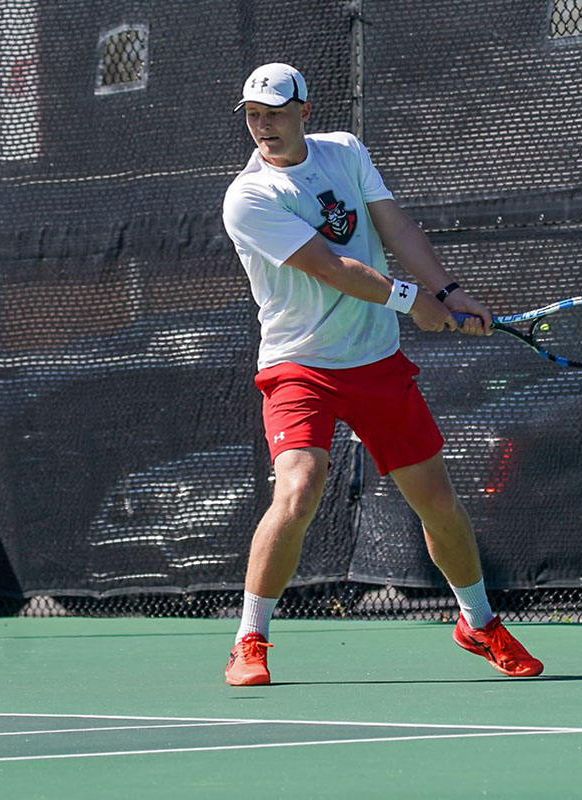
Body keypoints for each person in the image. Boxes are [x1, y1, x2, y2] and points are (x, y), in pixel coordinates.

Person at [221, 63, 543, 686]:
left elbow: (394, 224)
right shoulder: (249, 197)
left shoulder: (344, 152)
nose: (263, 126)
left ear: (304, 112)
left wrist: (447, 291)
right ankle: (249, 639)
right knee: (299, 489)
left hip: (376, 361)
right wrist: (411, 301)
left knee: (438, 503)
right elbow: (329, 265)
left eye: (275, 113)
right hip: (299, 366)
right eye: (254, 116)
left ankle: (478, 623)